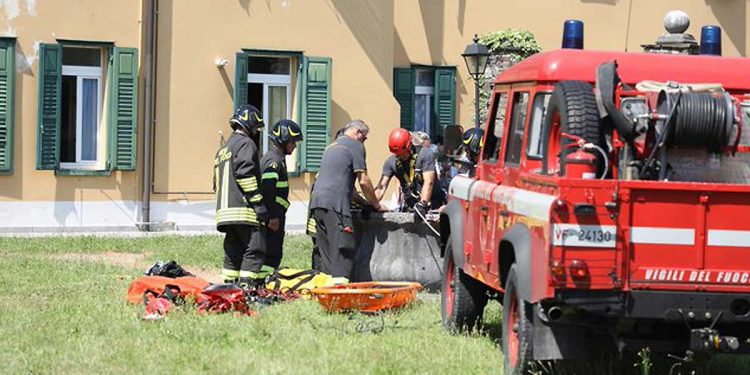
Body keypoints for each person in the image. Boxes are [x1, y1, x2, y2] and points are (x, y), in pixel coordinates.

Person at [310, 119, 380, 280]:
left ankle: (326, 294)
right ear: (357, 132)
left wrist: (364, 203)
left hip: (317, 205)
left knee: (327, 252)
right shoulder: (355, 146)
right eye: (365, 137)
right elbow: (363, 180)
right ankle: (340, 294)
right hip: (337, 206)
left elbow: (351, 190)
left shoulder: (331, 147)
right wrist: (375, 204)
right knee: (344, 250)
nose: (364, 142)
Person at [213, 105, 268, 289]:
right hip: (244, 212)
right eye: (256, 128)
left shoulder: (223, 150)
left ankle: (229, 290)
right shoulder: (246, 144)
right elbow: (246, 176)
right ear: (250, 124)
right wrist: (259, 206)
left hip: (225, 214)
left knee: (232, 252)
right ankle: (247, 290)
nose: (257, 133)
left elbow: (215, 184)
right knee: (254, 249)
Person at [259, 119, 303, 274]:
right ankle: (263, 284)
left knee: (274, 253)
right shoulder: (273, 162)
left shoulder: (277, 160)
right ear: (283, 139)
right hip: (273, 219)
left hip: (277, 216)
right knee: (270, 254)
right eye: (292, 142)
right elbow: (268, 190)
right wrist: (272, 216)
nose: (294, 146)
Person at [374, 128, 445, 213]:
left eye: (403, 153)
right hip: (411, 205)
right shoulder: (391, 162)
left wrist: (423, 204)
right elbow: (381, 187)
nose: (400, 156)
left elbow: (429, 182)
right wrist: (372, 203)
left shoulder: (425, 154)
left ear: (410, 146)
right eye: (398, 154)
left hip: (433, 204)